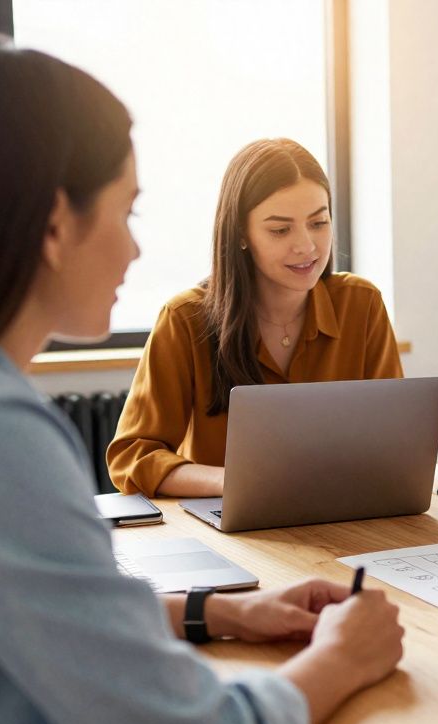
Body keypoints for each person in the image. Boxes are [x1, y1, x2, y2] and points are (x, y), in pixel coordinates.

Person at [0, 41, 403, 724]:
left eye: (318, 222)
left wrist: (222, 610)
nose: (135, 249)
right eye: (126, 212)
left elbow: (66, 612)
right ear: (54, 225)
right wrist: (343, 658)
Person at [107, 137, 403, 497]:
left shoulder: (362, 304)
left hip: (343, 511)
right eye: (280, 230)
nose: (307, 246)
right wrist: (233, 482)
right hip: (228, 516)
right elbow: (132, 457)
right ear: (241, 234)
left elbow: (396, 440)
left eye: (318, 222)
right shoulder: (184, 319)